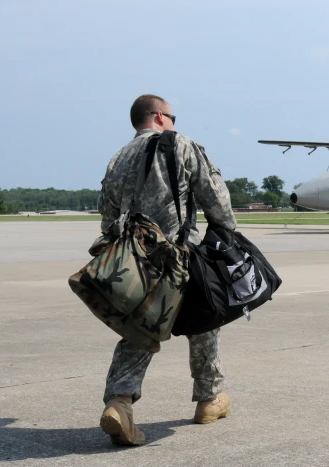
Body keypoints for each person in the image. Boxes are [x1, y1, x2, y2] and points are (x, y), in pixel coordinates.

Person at [96, 94, 237, 446]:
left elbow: (107, 214)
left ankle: (120, 402)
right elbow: (216, 200)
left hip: (128, 261)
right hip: (177, 257)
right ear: (160, 116)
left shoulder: (119, 157)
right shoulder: (182, 145)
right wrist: (226, 233)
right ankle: (208, 399)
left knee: (139, 329)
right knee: (205, 319)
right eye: (173, 116)